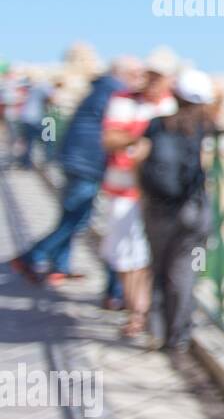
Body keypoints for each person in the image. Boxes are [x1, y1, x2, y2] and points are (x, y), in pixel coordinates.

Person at [9, 57, 145, 291]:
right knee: (76, 218)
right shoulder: (117, 92)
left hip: (74, 158)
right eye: (135, 74)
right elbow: (119, 128)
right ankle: (32, 256)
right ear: (123, 74)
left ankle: (60, 267)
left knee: (72, 214)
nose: (139, 79)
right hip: (87, 162)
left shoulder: (101, 88)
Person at [138, 68, 220, 352]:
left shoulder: (157, 124)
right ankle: (179, 335)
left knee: (157, 267)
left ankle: (156, 330)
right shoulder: (204, 125)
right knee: (184, 270)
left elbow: (141, 158)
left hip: (159, 208)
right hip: (192, 209)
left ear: (174, 95)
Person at [100, 48, 179, 337]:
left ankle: (143, 312)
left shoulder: (173, 106)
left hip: (158, 194)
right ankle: (138, 310)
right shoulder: (124, 101)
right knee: (125, 256)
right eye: (151, 74)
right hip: (124, 190)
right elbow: (110, 139)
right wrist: (146, 136)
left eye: (160, 76)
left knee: (148, 256)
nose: (153, 81)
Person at [16, 78, 60, 168]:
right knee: (49, 138)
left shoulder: (37, 87)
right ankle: (48, 160)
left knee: (29, 142)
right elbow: (52, 100)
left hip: (25, 117)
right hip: (34, 119)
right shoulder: (47, 87)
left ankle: (25, 163)